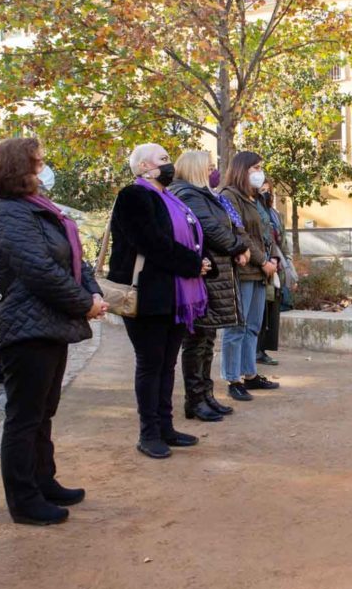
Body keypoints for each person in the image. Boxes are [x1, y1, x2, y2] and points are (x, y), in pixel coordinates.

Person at [0, 137, 107, 525]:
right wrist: (84, 303)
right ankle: (24, 499)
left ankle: (43, 479)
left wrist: (94, 290)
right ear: (19, 168)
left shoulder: (36, 209)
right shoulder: (9, 215)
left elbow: (73, 258)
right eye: (38, 162)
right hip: (26, 328)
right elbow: (40, 271)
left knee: (43, 412)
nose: (43, 168)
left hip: (47, 323)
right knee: (24, 416)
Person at [108, 143, 212, 459]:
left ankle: (166, 427)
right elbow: (151, 242)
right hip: (148, 295)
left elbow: (192, 238)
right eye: (163, 160)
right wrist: (194, 264)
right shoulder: (134, 196)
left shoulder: (170, 198)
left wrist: (204, 261)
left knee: (167, 365)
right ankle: (149, 433)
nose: (170, 165)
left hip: (175, 293)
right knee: (151, 364)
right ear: (142, 167)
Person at [171, 151, 250, 422]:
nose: (214, 171)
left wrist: (240, 243)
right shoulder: (189, 194)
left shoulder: (205, 195)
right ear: (195, 169)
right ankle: (195, 399)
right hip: (204, 276)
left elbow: (231, 225)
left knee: (206, 339)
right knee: (196, 340)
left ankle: (206, 395)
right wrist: (238, 246)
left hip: (216, 275)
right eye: (210, 167)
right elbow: (212, 230)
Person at [220, 151, 280, 401]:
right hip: (245, 270)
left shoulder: (255, 198)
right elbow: (240, 233)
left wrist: (274, 257)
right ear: (242, 169)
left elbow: (268, 232)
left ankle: (249, 374)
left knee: (253, 326)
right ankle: (232, 378)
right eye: (255, 167)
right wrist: (264, 260)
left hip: (260, 271)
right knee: (237, 327)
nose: (259, 172)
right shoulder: (228, 197)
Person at [256, 179, 285, 367]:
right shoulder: (255, 210)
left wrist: (281, 261)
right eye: (262, 190)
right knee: (260, 312)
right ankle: (256, 350)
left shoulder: (274, 213)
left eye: (268, 190)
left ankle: (262, 349)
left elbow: (281, 240)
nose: (266, 193)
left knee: (270, 312)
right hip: (260, 265)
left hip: (276, 265)